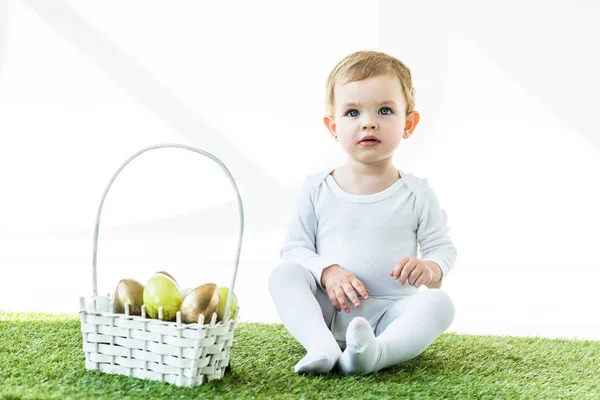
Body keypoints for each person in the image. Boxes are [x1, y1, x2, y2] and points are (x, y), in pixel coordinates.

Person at [268, 50, 457, 375]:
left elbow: (442, 248)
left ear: (408, 123)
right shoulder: (317, 188)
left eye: (385, 110)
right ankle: (320, 344)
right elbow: (294, 249)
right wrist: (329, 273)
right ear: (333, 126)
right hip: (330, 307)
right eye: (352, 112)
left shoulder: (417, 193)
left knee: (440, 305)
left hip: (392, 313)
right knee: (282, 275)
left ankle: (375, 353)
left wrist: (429, 267)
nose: (368, 122)